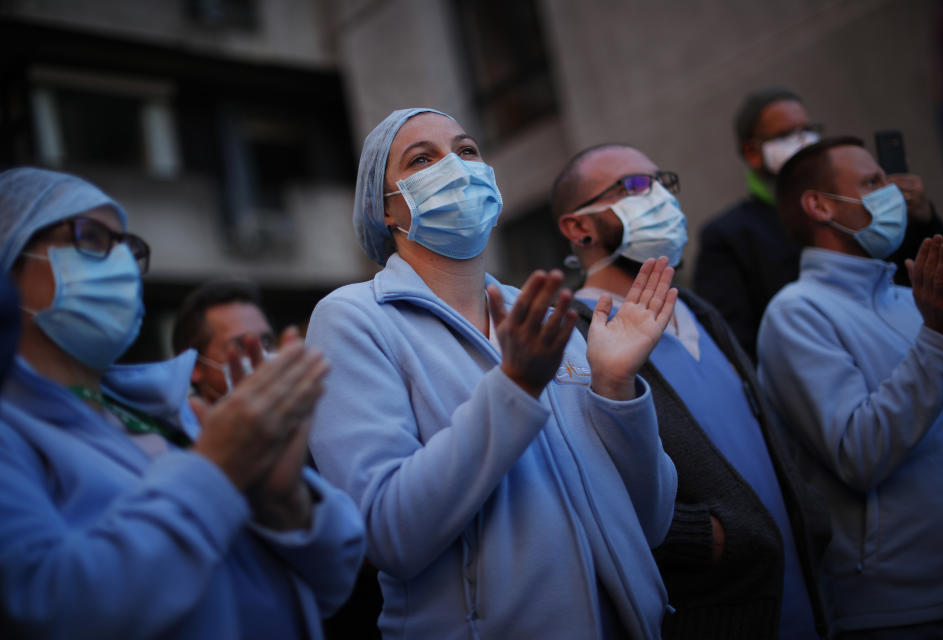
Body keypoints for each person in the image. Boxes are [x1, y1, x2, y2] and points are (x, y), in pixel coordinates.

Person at [306, 108, 679, 639]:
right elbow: (386, 535)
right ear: (386, 211)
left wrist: (616, 389)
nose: (456, 168)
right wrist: (514, 389)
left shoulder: (545, 314)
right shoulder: (353, 319)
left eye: (466, 151)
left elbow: (651, 522)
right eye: (422, 159)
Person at [0, 167, 366, 639]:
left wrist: (284, 500)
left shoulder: (164, 414)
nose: (120, 266)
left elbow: (332, 585)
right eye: (91, 238)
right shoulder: (12, 432)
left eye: (128, 248)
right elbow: (47, 609)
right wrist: (215, 470)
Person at [551, 143, 830, 639]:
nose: (657, 197)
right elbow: (588, 491)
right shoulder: (567, 338)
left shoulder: (703, 315)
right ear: (579, 228)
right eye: (635, 187)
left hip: (810, 608)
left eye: (662, 182)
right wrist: (699, 541)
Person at [757, 137, 943, 638]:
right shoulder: (796, 313)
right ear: (820, 205)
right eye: (872, 183)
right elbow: (859, 451)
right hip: (900, 608)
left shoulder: (908, 298)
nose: (891, 192)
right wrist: (937, 338)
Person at [694, 87, 943, 361]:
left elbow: (910, 277)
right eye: (786, 134)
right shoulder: (729, 236)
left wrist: (923, 221)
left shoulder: (848, 205)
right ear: (753, 152)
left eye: (809, 128)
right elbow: (736, 343)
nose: (804, 140)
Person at [172, 278, 286, 422]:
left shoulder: (301, 432)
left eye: (266, 341)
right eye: (242, 345)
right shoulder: (168, 441)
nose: (262, 355)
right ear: (192, 366)